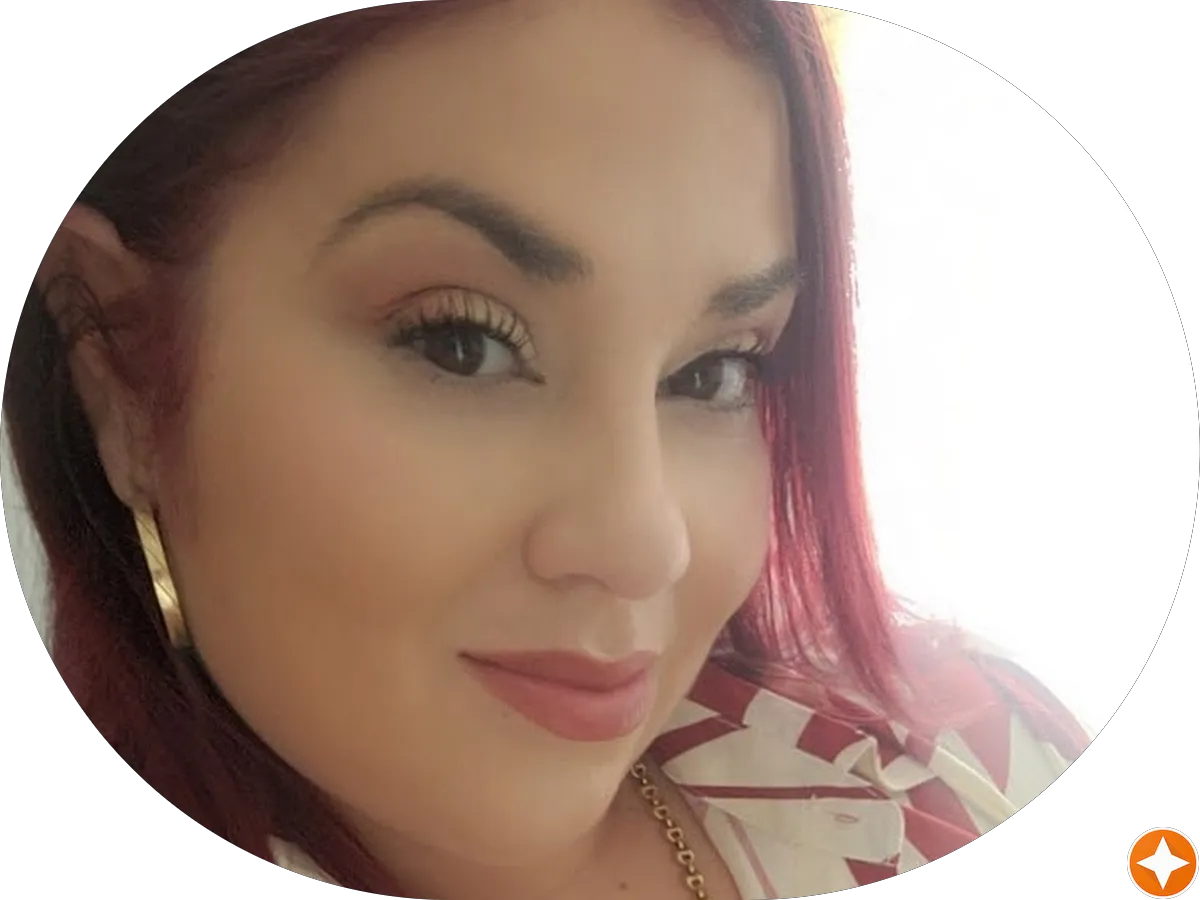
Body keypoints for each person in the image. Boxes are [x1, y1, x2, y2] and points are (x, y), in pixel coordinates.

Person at [3, 1, 1091, 898]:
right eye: (462, 342)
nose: (643, 544)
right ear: (122, 372)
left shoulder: (967, 758)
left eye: (715, 371)